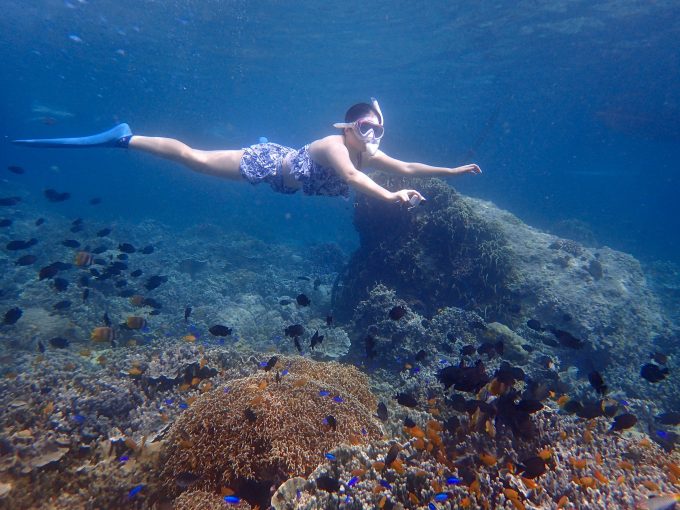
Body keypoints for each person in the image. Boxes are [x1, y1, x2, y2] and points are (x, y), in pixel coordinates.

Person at [12, 98, 481, 204]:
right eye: (364, 127)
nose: (373, 135)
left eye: (378, 129)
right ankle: (123, 137)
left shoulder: (367, 152)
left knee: (203, 158)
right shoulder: (334, 147)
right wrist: (392, 197)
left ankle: (263, 142)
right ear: (347, 126)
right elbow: (357, 181)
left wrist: (454, 172)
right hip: (264, 166)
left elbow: (406, 165)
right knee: (192, 158)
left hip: (283, 173)